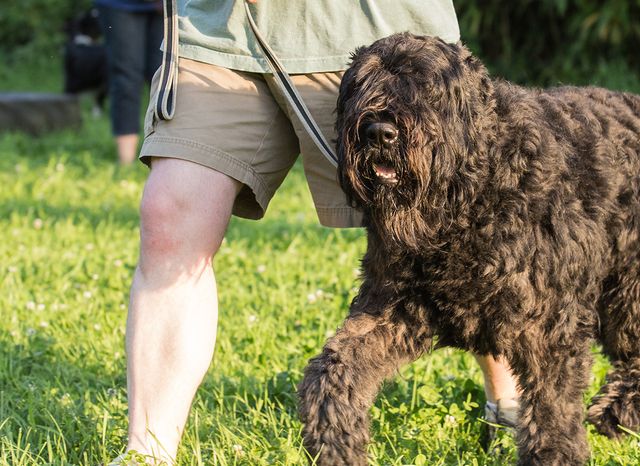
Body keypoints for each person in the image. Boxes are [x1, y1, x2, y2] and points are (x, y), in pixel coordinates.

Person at [119, 1, 519, 463]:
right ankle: (147, 449)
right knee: (169, 218)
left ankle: (509, 404)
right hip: (221, 33)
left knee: (461, 234)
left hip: (374, 34)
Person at [95, 0, 163, 165]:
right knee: (126, 77)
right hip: (119, 5)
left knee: (165, 78)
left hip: (168, 5)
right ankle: (126, 162)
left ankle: (166, 155)